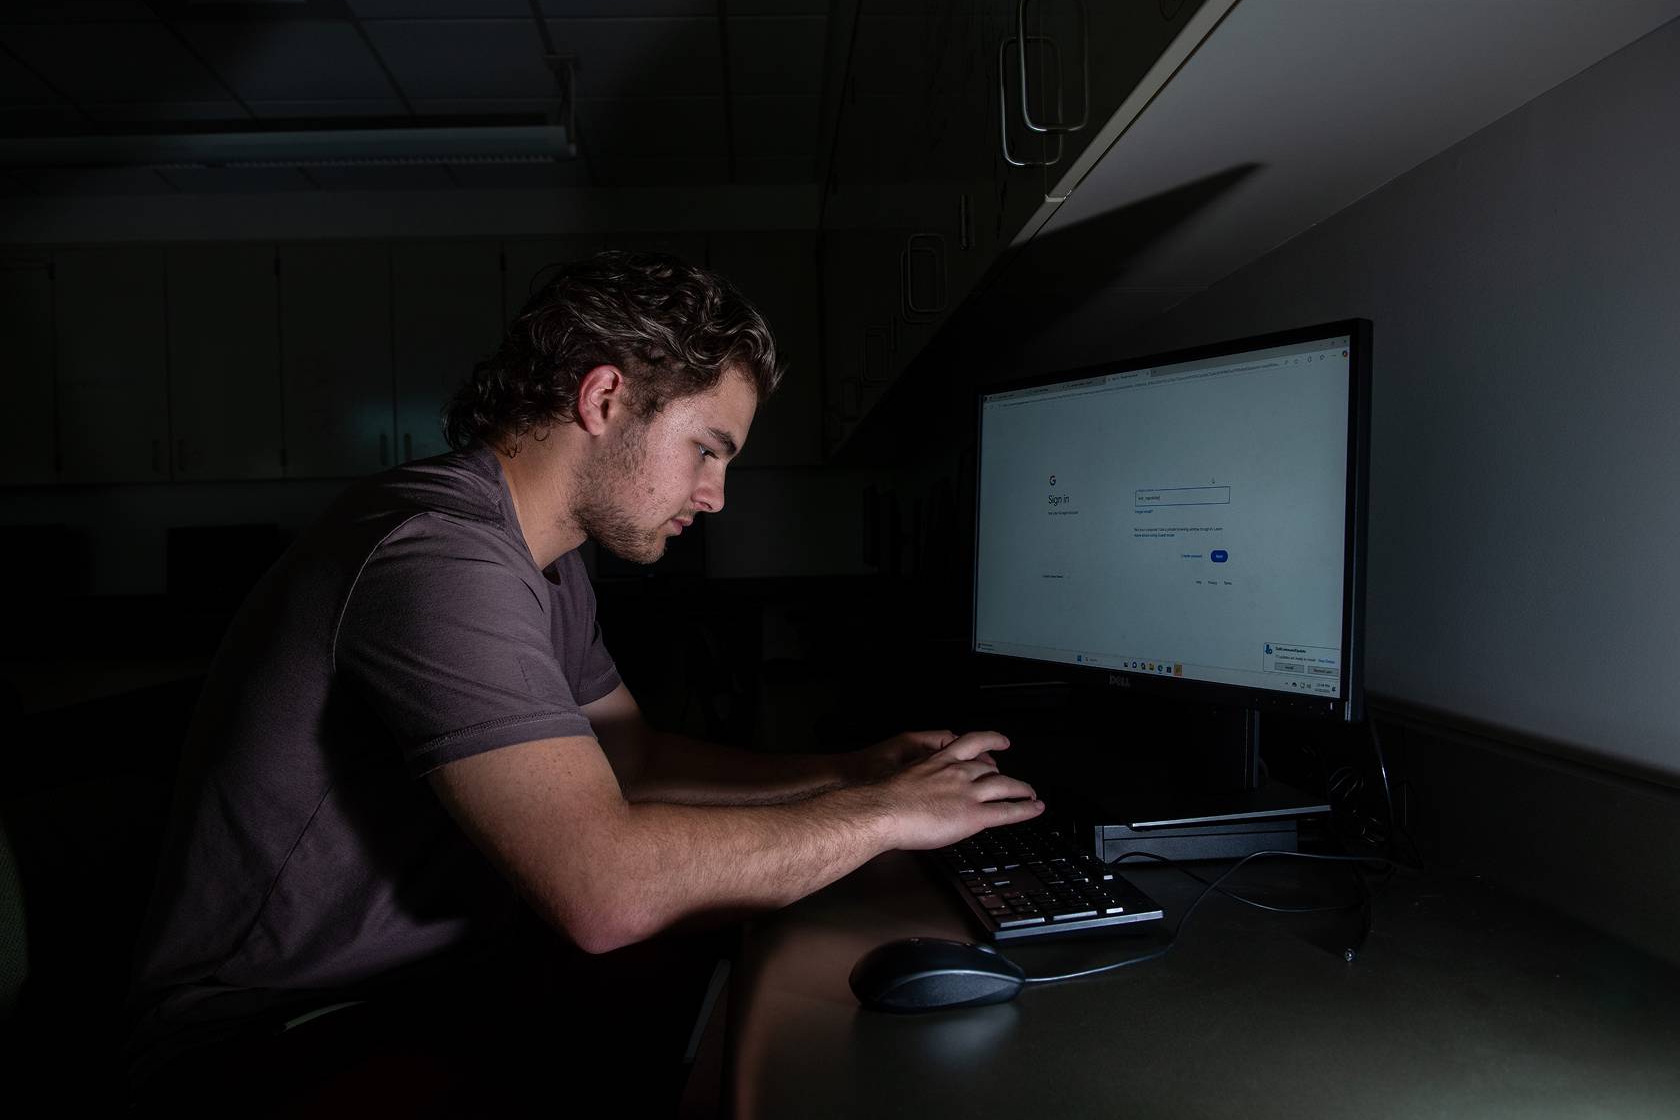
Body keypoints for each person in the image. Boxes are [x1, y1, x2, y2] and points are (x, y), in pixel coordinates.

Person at [125, 250, 1044, 1113]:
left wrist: (855, 773)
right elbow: (606, 894)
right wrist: (885, 817)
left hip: (435, 983)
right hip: (270, 1040)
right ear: (606, 396)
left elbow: (630, 756)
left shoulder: (546, 559)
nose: (716, 493)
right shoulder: (438, 554)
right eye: (708, 449)